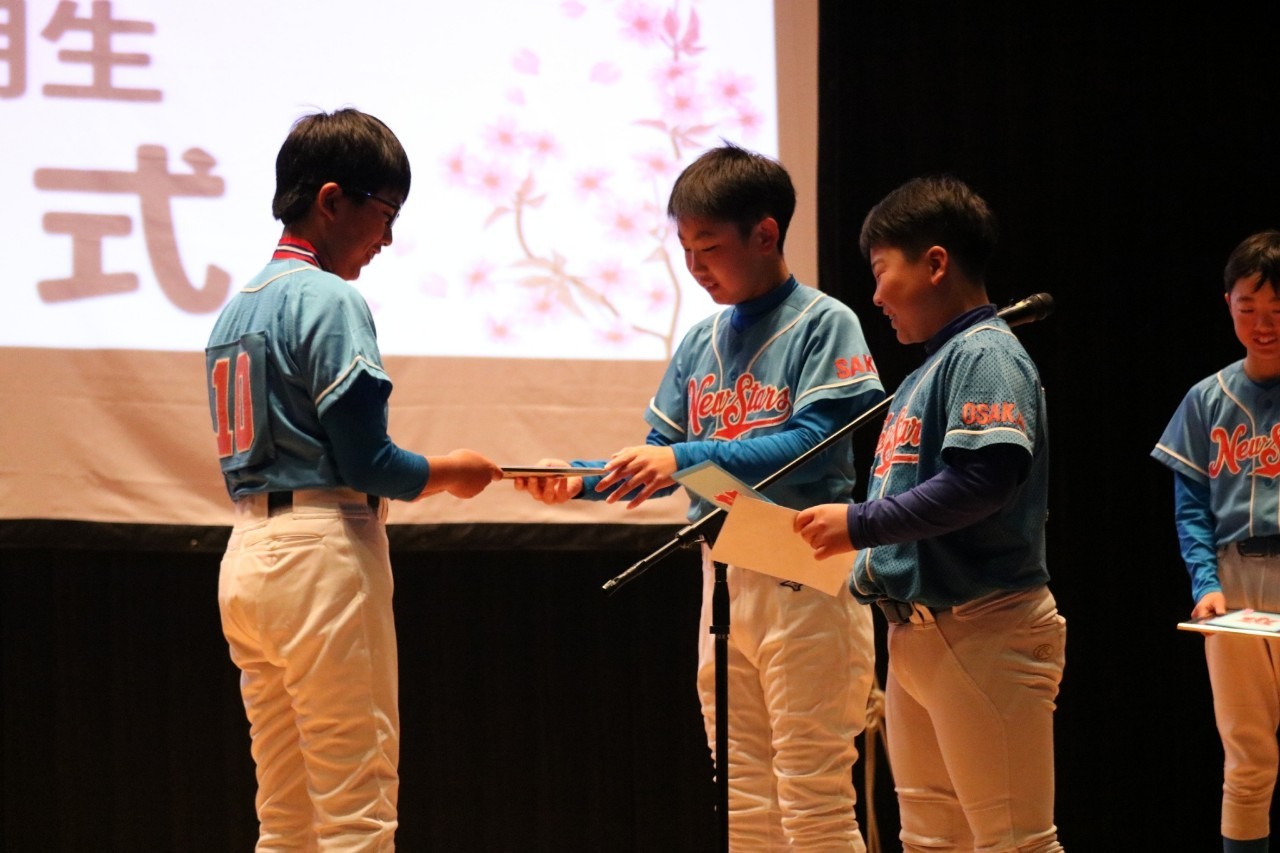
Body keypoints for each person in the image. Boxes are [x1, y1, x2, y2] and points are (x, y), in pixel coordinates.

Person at [515, 142, 885, 850]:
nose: (695, 267)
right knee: (741, 801)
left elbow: (812, 442)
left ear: (766, 234)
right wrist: (578, 479)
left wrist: (681, 458)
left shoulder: (823, 321)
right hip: (725, 571)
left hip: (806, 570)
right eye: (684, 249)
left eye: (709, 247)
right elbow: (661, 456)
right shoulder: (699, 341)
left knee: (812, 800)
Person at [204, 107, 502, 851]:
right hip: (320, 557)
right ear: (332, 200)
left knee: (284, 818)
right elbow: (372, 463)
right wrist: (454, 471)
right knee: (355, 815)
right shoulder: (329, 298)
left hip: (246, 558)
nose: (388, 238)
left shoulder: (233, 311)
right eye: (386, 213)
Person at [794, 174, 1066, 853]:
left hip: (984, 625)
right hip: (916, 633)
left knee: (1017, 844)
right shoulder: (929, 369)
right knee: (930, 842)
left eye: (882, 271)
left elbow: (984, 478)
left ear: (936, 263)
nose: (876, 295)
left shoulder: (985, 353)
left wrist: (857, 523)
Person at [1151, 229, 1280, 853]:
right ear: (1227, 304)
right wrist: (1205, 584)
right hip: (1235, 581)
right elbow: (1192, 510)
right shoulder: (1207, 398)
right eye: (1248, 307)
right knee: (1247, 756)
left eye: (1277, 309)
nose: (1263, 324)